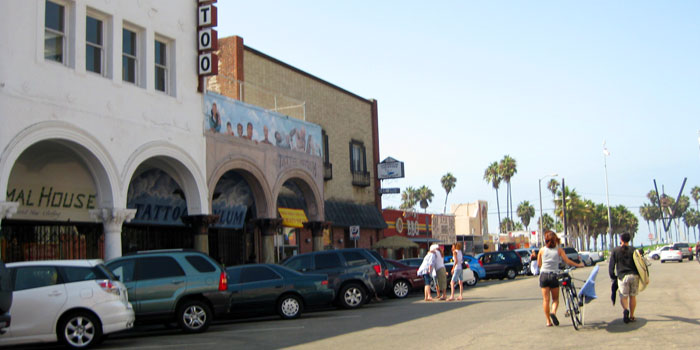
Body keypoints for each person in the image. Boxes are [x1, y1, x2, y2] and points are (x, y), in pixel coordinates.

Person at [538, 231, 584, 327]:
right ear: (556, 240)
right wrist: (578, 265)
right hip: (554, 275)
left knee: (546, 300)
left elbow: (539, 264)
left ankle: (548, 321)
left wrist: (544, 267)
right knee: (555, 299)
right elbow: (567, 261)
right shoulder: (559, 250)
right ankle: (553, 312)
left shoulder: (541, 250)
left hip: (544, 276)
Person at [609, 232, 640, 323]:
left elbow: (611, 266)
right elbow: (639, 264)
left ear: (621, 239)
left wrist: (613, 276)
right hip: (634, 276)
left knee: (624, 296)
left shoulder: (615, 251)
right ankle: (632, 316)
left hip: (622, 277)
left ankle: (626, 309)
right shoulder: (634, 250)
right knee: (633, 296)